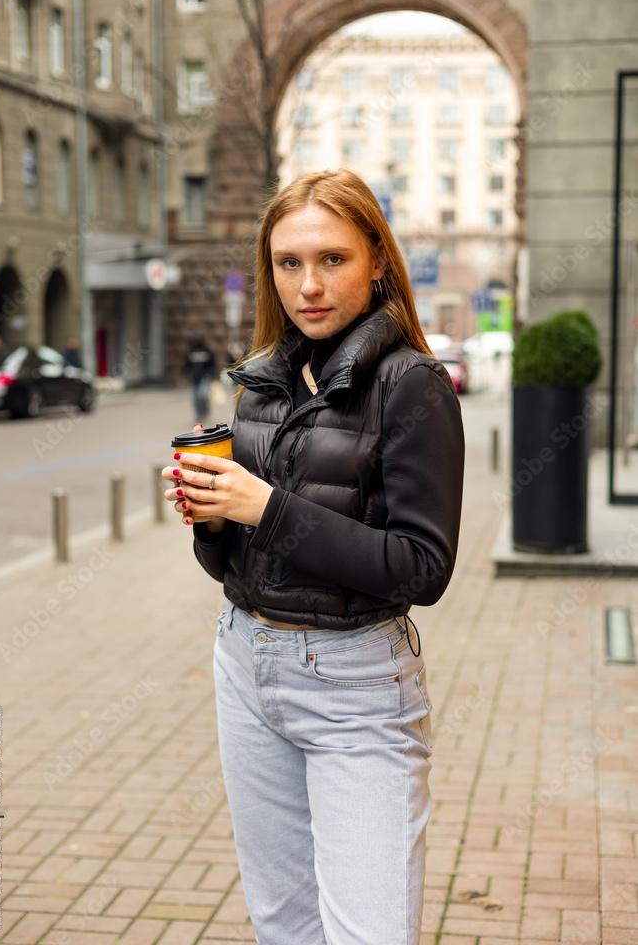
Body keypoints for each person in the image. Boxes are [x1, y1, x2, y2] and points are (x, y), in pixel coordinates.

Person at [162, 168, 465, 945]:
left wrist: (263, 506)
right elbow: (236, 565)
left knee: (365, 932)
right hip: (244, 663)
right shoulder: (261, 383)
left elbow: (421, 568)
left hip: (355, 683)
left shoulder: (412, 386)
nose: (309, 284)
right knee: (283, 926)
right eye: (288, 262)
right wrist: (211, 517)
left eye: (332, 259)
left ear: (376, 261)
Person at [181, 331, 217, 423]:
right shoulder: (190, 351)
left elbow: (212, 365)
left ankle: (205, 412)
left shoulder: (207, 351)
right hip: (193, 378)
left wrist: (211, 374)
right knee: (195, 398)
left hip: (204, 377)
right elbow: (186, 365)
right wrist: (184, 375)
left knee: (202, 395)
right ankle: (199, 415)